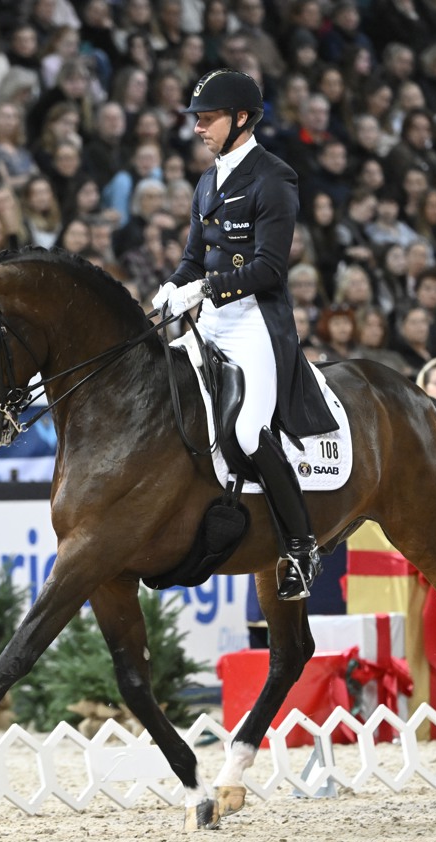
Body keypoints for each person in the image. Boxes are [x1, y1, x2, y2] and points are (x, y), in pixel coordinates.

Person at [151, 70, 337, 601]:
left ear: (240, 119)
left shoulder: (274, 177)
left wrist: (204, 288)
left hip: (255, 321)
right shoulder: (208, 180)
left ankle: (303, 547)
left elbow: (269, 270)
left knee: (249, 432)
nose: (199, 129)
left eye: (206, 119)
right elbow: (192, 257)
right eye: (196, 120)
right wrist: (173, 286)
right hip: (210, 317)